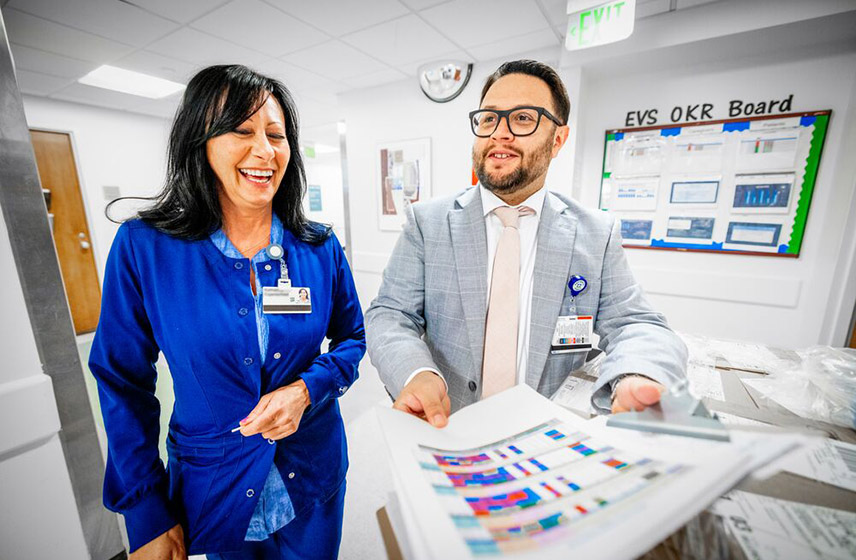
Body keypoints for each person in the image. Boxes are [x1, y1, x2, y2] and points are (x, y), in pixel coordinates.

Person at [89, 65, 365, 559]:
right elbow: (121, 381)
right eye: (242, 130)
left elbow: (352, 340)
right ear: (201, 140)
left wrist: (307, 390)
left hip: (312, 476)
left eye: (276, 135)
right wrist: (145, 513)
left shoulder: (319, 247)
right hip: (212, 481)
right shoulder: (145, 249)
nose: (265, 150)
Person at [365, 60, 687, 428]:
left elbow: (637, 324)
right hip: (448, 429)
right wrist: (415, 373)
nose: (499, 134)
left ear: (558, 140)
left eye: (522, 118)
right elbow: (390, 315)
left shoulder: (596, 233)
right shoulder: (427, 223)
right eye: (488, 119)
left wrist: (637, 375)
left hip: (548, 440)